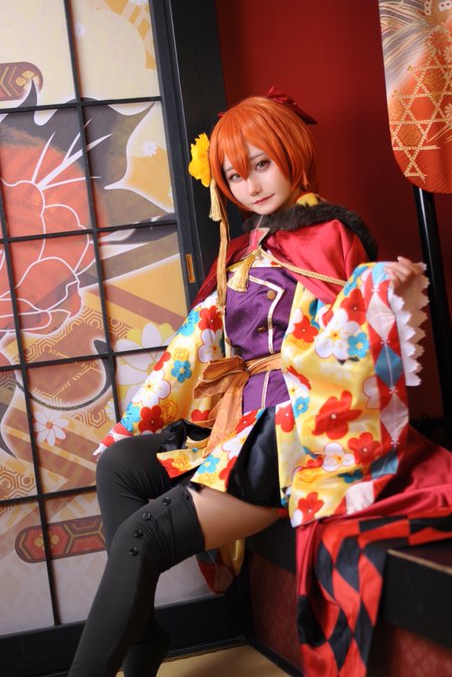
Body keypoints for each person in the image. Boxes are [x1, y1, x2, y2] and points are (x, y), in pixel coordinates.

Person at [68, 89, 427, 676]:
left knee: (141, 538)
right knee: (119, 465)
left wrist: (385, 284)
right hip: (239, 419)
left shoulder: (330, 235)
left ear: (292, 154)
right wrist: (149, 412)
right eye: (235, 176)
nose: (252, 185)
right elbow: (197, 340)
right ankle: (144, 639)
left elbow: (353, 330)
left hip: (292, 431)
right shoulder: (245, 249)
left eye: (262, 164)